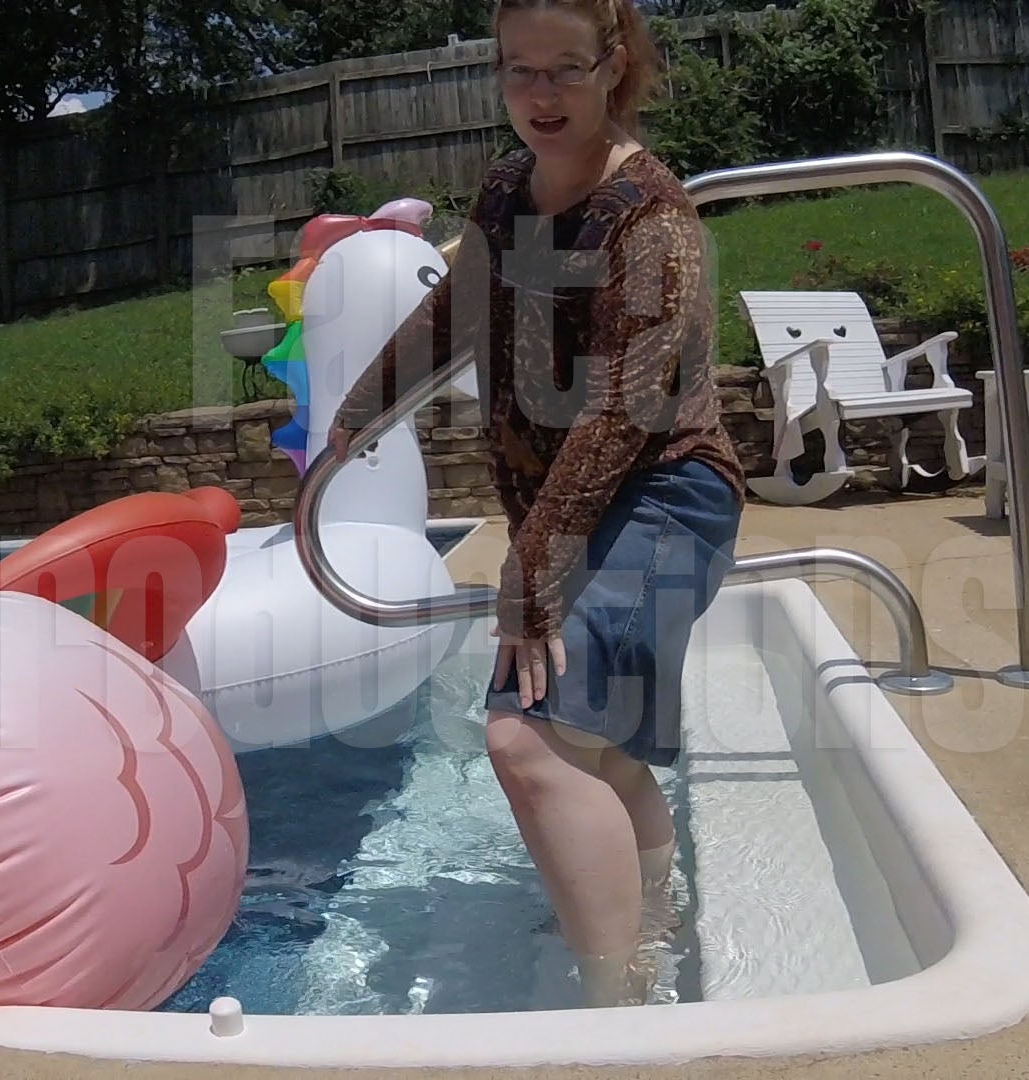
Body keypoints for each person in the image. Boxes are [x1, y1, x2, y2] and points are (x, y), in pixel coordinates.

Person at [327, 0, 745, 1008]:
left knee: (527, 735)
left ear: (614, 66)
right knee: (595, 745)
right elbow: (457, 312)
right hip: (575, 505)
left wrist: (533, 569)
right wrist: (355, 419)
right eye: (521, 71)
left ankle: (617, 1013)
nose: (542, 95)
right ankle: (651, 936)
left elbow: (621, 412)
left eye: (565, 68)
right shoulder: (509, 190)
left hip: (668, 494)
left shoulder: (653, 218)